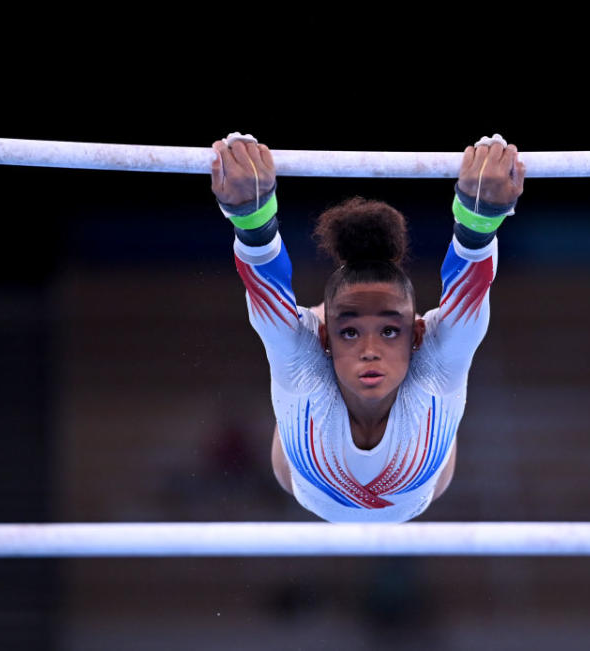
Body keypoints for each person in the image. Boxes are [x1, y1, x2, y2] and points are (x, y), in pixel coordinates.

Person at [210, 133, 525, 522]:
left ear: (418, 334)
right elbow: (470, 271)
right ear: (325, 337)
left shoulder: (430, 361)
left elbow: (265, 277)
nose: (370, 350)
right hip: (319, 460)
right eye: (350, 333)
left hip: (369, 454)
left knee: (295, 338)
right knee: (294, 342)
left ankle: (351, 316)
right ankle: (355, 318)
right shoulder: (307, 364)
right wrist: (478, 219)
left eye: (390, 331)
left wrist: (251, 215)